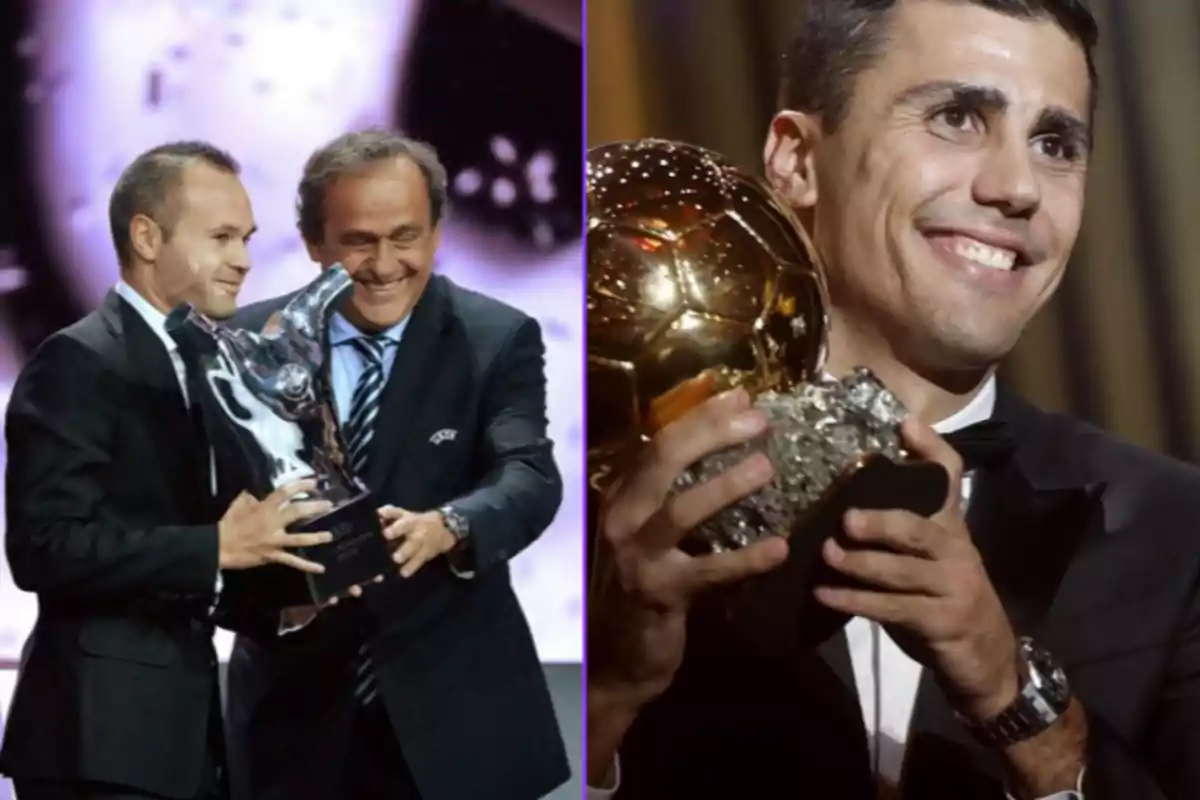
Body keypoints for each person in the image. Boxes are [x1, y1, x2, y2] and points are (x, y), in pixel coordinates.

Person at [587, 1, 1200, 798]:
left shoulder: (1177, 538)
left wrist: (1017, 703)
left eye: (1054, 144)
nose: (1017, 188)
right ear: (797, 160)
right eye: (956, 117)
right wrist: (609, 691)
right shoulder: (593, 507)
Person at [223, 129, 569, 800]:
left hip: (457, 720)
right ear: (313, 242)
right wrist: (275, 602)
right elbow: (205, 511)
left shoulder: (496, 338)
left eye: (405, 236)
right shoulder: (245, 347)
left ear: (438, 231)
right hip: (292, 722)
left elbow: (528, 474)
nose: (384, 264)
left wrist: (452, 524)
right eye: (358, 241)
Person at [0, 141, 334, 800]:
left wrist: (295, 597)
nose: (243, 259)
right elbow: (43, 548)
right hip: (97, 741)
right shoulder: (79, 362)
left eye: (246, 237)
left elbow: (187, 557)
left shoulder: (205, 365)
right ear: (147, 237)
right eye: (221, 237)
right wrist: (219, 545)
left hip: (178, 741)